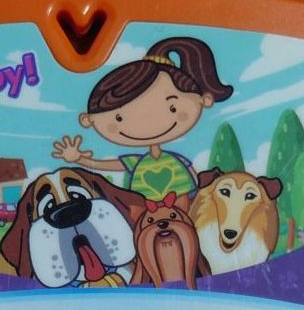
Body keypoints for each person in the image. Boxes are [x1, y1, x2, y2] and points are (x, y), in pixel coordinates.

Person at [52, 37, 233, 210]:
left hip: (183, 201)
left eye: (172, 108)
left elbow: (194, 177)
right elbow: (104, 165)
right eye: (119, 118)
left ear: (204, 100)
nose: (150, 122)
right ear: (88, 119)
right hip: (148, 209)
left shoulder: (178, 160)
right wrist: (79, 159)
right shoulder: (135, 162)